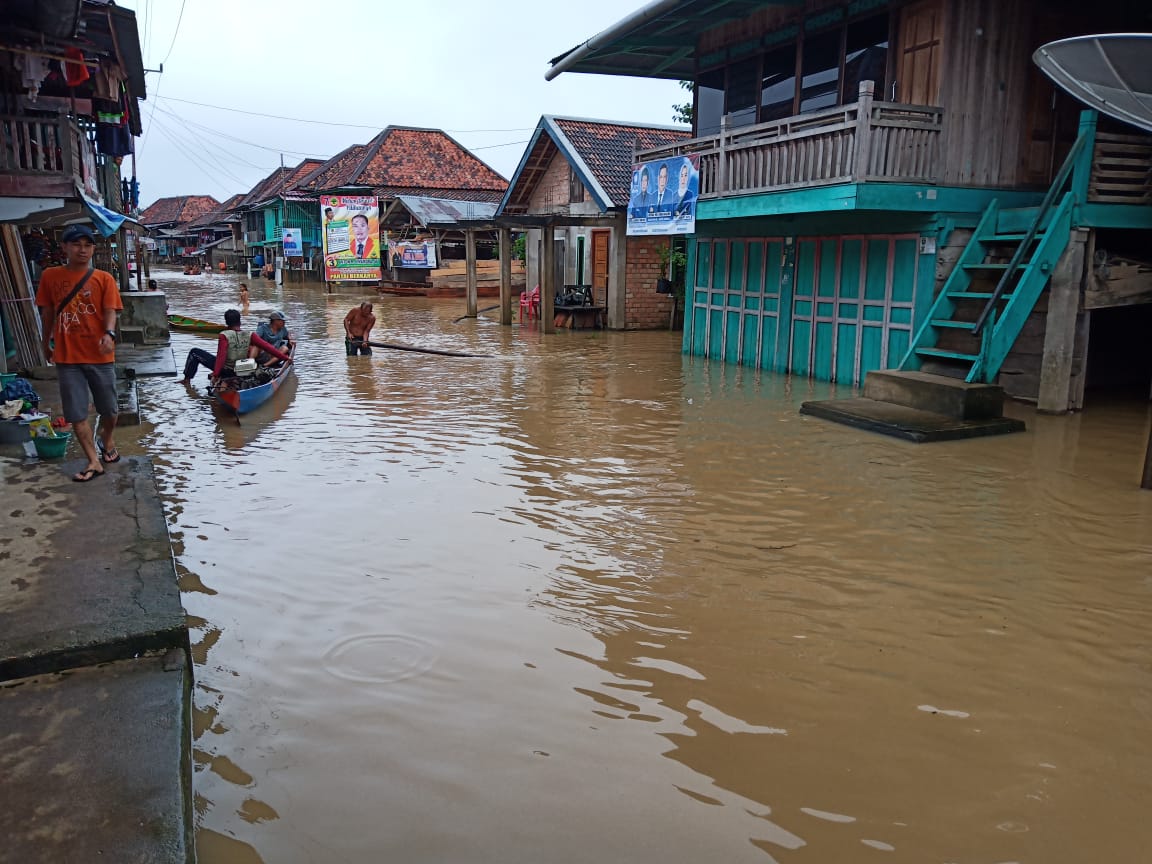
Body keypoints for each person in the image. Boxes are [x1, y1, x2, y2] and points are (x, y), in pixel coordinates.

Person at [35, 223, 122, 483]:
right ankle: (93, 460)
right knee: (76, 412)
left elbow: (111, 311)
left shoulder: (104, 278)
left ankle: (107, 438)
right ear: (65, 247)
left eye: (87, 245)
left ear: (93, 248)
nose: (82, 250)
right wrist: (45, 342)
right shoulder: (50, 276)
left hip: (100, 354)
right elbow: (47, 312)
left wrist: (109, 334)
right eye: (76, 244)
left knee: (110, 409)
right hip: (67, 356)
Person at [179, 308, 292, 384]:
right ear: (240, 321)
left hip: (227, 370)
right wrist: (286, 358)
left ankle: (186, 380)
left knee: (194, 352)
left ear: (227, 322)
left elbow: (221, 357)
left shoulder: (224, 335)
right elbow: (269, 348)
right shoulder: (250, 334)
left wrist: (215, 374)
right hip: (243, 368)